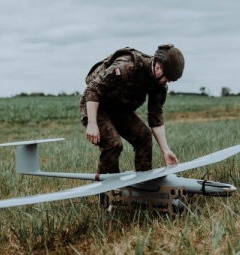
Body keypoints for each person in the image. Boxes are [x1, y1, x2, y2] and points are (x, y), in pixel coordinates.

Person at [79, 44, 184, 176]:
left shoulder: (159, 85)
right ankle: (108, 193)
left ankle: (145, 186)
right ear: (158, 66)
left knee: (144, 136)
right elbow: (93, 90)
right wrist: (92, 124)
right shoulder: (127, 66)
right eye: (167, 78)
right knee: (113, 144)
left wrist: (165, 150)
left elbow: (155, 117)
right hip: (95, 104)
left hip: (119, 108)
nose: (166, 82)